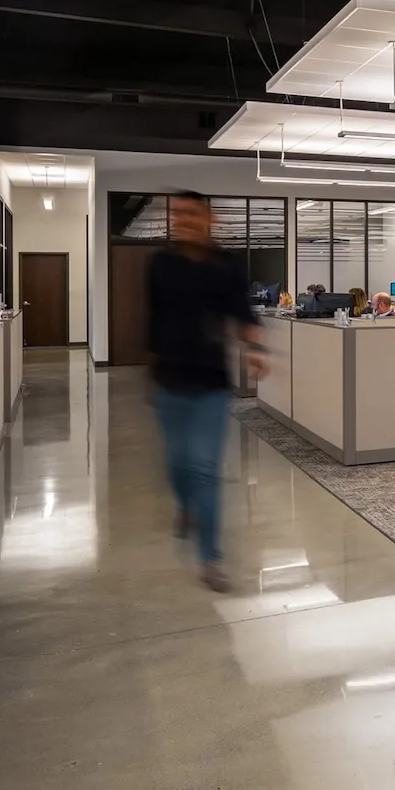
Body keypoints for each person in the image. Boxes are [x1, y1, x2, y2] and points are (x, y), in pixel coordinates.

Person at [146, 190, 266, 592]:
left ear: (208, 218)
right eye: (177, 213)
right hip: (168, 379)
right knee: (177, 463)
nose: (183, 219)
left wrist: (255, 350)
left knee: (206, 469)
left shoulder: (227, 266)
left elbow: (242, 313)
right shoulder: (160, 264)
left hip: (212, 381)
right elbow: (153, 320)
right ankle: (184, 507)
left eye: (191, 212)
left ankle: (210, 558)